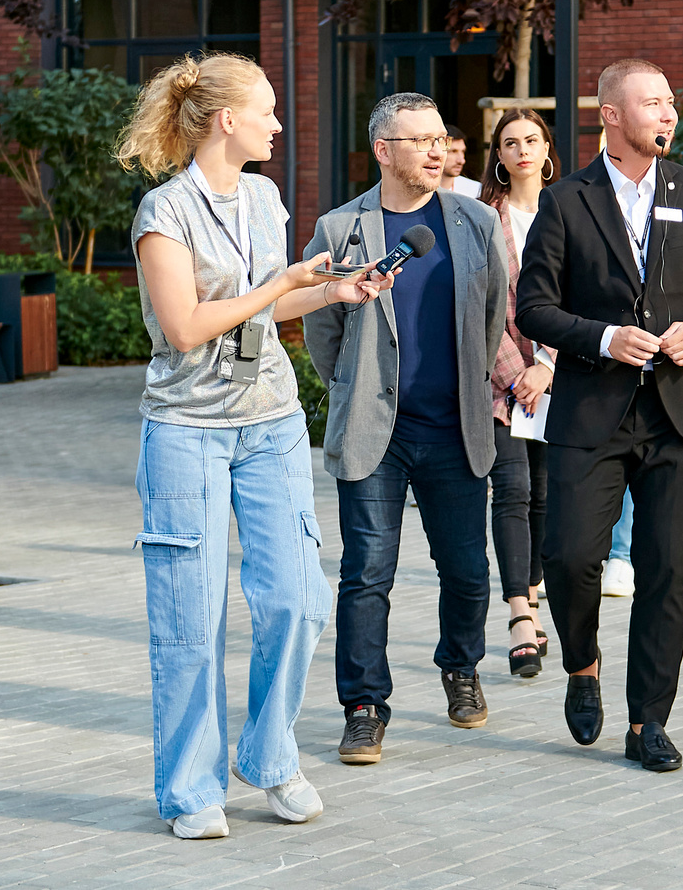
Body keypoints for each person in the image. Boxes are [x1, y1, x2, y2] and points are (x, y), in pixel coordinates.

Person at [119, 52, 389, 841]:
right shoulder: (163, 213)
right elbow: (187, 327)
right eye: (267, 110)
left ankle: (269, 757)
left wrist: (336, 290)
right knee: (189, 618)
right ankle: (190, 792)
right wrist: (279, 287)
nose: (278, 123)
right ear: (226, 120)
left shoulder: (265, 197)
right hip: (187, 431)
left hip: (270, 420)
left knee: (299, 598)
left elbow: (274, 304)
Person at [516, 58, 683, 774]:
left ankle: (649, 720)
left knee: (665, 570)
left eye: (671, 103)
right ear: (610, 114)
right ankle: (581, 666)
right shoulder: (566, 202)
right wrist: (604, 338)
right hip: (592, 412)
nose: (669, 113)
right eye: (652, 103)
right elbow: (532, 307)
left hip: (679, 418)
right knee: (571, 557)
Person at [301, 92, 512, 768]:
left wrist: (469, 387)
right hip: (374, 431)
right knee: (366, 573)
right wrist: (359, 390)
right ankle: (363, 708)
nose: (436, 149)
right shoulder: (341, 230)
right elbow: (321, 332)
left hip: (455, 427)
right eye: (419, 139)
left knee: (467, 569)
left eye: (440, 137)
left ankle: (461, 665)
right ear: (383, 151)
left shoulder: (475, 221)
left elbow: (493, 313)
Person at [478, 109, 556, 678]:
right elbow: (479, 309)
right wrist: (516, 373)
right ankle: (520, 618)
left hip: (563, 378)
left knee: (548, 497)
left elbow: (584, 298)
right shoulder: (482, 219)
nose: (522, 149)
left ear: (547, 148)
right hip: (499, 382)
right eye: (511, 142)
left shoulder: (574, 211)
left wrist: (548, 365)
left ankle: (532, 591)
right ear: (498, 156)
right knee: (512, 489)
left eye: (532, 139)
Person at [444, 124, 483, 198]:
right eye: (453, 151)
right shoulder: (421, 192)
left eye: (463, 151)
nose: (461, 161)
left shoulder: (475, 191)